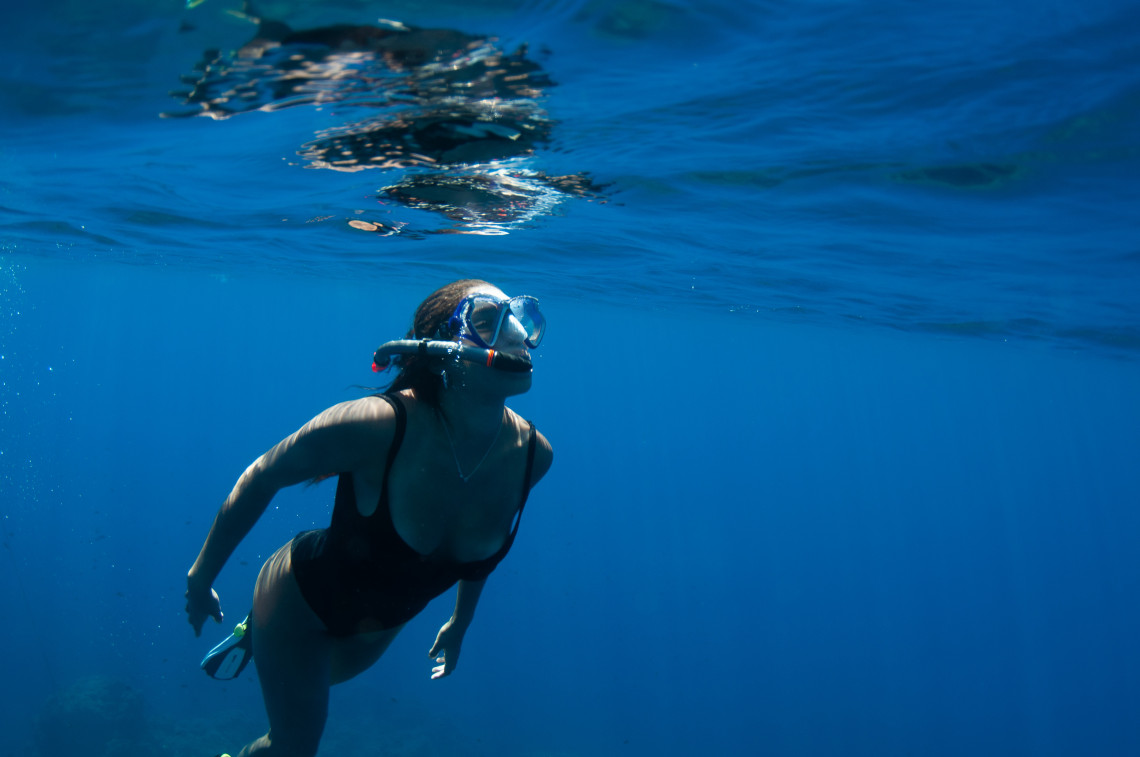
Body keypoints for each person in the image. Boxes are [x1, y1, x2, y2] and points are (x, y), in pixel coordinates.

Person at [184, 279, 554, 757]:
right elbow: (261, 475)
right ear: (441, 348)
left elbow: (482, 548)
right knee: (293, 747)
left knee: (313, 695)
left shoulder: (533, 457)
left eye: (523, 320)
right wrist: (200, 577)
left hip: (376, 629)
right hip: (300, 608)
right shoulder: (376, 424)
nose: (518, 336)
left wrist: (460, 621)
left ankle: (254, 633)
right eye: (487, 322)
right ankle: (262, 626)